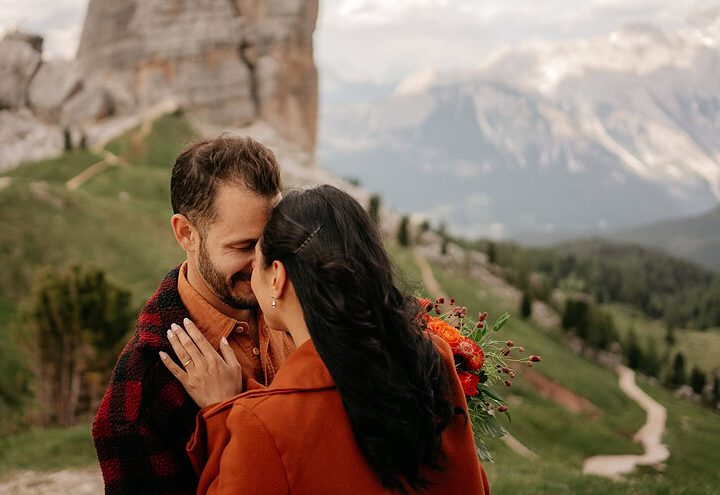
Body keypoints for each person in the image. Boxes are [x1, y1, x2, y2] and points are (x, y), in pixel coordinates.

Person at [166, 185, 491, 494]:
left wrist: (223, 412)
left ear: (277, 277)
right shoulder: (432, 356)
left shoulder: (262, 428)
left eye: (258, 256)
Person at [92, 135, 296, 494]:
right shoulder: (142, 390)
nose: (266, 265)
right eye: (245, 246)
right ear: (186, 233)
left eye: (271, 242)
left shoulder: (300, 301)